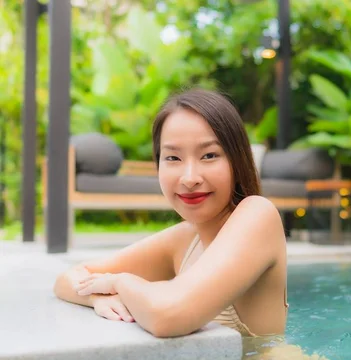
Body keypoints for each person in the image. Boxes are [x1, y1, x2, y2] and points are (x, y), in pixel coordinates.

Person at [54, 88, 288, 338]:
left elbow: (168, 316)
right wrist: (97, 297)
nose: (189, 178)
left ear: (237, 160)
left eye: (209, 155)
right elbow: (69, 278)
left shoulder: (258, 215)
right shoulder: (185, 240)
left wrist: (118, 283)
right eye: (173, 158)